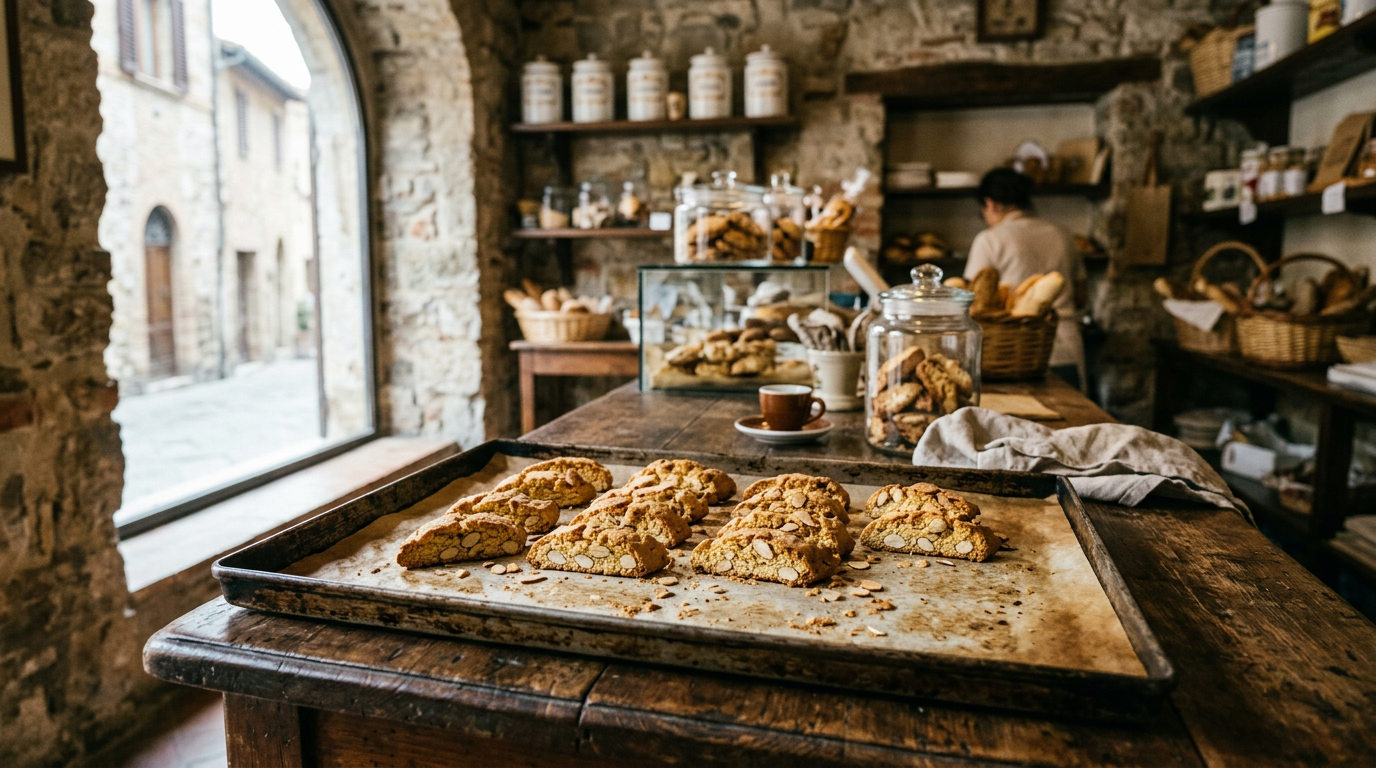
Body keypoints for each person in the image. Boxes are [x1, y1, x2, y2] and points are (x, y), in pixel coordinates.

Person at [964, 168, 1087, 390]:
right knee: (1073, 419)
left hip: (1011, 352)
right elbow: (1081, 297)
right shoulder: (1063, 234)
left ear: (989, 204)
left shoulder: (990, 239)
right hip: (1066, 347)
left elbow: (971, 303)